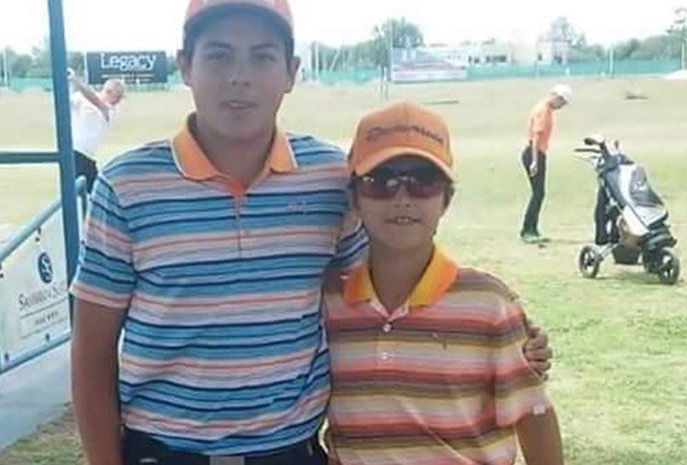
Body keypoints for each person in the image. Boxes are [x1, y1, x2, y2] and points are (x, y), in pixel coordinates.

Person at [69, 2, 553, 464]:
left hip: (290, 454)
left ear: (292, 72)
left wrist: (503, 338)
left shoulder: (326, 175)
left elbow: (371, 292)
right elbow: (91, 353)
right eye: (218, 55)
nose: (240, 76)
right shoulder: (127, 184)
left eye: (263, 57)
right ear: (185, 66)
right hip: (164, 451)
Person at [325, 102, 564, 465]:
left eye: (423, 181)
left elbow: (533, 416)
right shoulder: (327, 303)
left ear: (446, 198)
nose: (402, 198)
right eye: (380, 181)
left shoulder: (488, 305)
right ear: (354, 198)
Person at [520, 84, 572, 243]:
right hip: (534, 153)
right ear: (557, 97)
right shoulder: (543, 111)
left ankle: (532, 228)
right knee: (538, 193)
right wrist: (535, 161)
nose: (561, 107)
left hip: (536, 153)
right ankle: (527, 230)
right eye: (562, 103)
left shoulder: (545, 108)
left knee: (539, 193)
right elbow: (536, 137)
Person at [68, 70, 126, 192]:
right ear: (109, 92)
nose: (119, 101)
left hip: (87, 156)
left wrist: (76, 81)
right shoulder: (81, 98)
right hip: (74, 152)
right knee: (92, 191)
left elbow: (97, 103)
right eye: (118, 96)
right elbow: (68, 103)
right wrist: (70, 84)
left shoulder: (111, 110)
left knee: (97, 191)